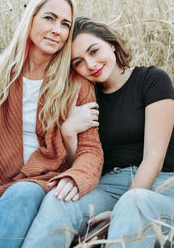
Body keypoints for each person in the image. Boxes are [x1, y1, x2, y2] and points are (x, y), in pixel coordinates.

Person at [0, 0, 104, 248]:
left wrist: (75, 176)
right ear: (31, 17)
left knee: (20, 194)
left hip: (39, 182)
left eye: (65, 24)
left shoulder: (76, 84)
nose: (57, 30)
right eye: (49, 18)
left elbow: (91, 150)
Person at [62, 16, 174, 247]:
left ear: (110, 43)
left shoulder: (152, 80)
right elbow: (82, 164)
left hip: (164, 185)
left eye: (94, 51)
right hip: (109, 185)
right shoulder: (84, 98)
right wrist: (68, 133)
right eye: (78, 62)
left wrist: (119, 212)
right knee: (59, 202)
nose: (90, 64)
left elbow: (154, 157)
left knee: (134, 203)